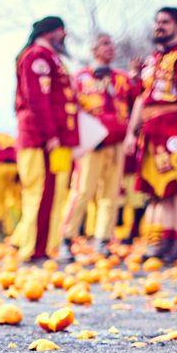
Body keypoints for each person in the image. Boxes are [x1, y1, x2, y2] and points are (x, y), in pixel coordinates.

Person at [125, 7, 177, 262]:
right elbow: (141, 99)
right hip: (151, 133)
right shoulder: (152, 60)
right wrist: (131, 132)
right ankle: (168, 242)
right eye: (157, 21)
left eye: (166, 22)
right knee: (161, 192)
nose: (159, 26)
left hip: (174, 129)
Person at [11, 16, 79, 263]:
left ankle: (47, 246)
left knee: (57, 193)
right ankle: (33, 248)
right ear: (53, 32)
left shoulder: (51, 58)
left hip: (60, 141)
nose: (64, 38)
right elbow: (37, 99)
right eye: (62, 33)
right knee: (39, 193)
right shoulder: (36, 56)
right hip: (42, 140)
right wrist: (50, 135)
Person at [60, 33, 133, 254]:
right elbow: (71, 107)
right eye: (104, 43)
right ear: (93, 49)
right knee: (82, 191)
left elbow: (134, 103)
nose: (110, 47)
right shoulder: (81, 78)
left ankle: (103, 239)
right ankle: (66, 237)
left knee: (111, 194)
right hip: (92, 144)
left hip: (117, 143)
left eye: (112, 43)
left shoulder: (122, 78)